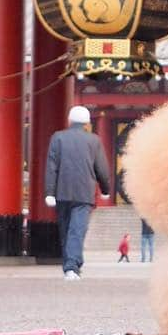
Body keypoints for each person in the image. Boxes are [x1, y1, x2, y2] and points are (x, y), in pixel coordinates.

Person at [44, 104, 111, 281]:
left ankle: (72, 264)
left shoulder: (57, 138)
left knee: (66, 230)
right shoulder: (94, 141)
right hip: (84, 193)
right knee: (77, 230)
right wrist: (105, 189)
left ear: (70, 120)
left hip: (62, 192)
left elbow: (52, 166)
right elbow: (101, 168)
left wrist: (49, 192)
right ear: (87, 122)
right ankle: (72, 266)